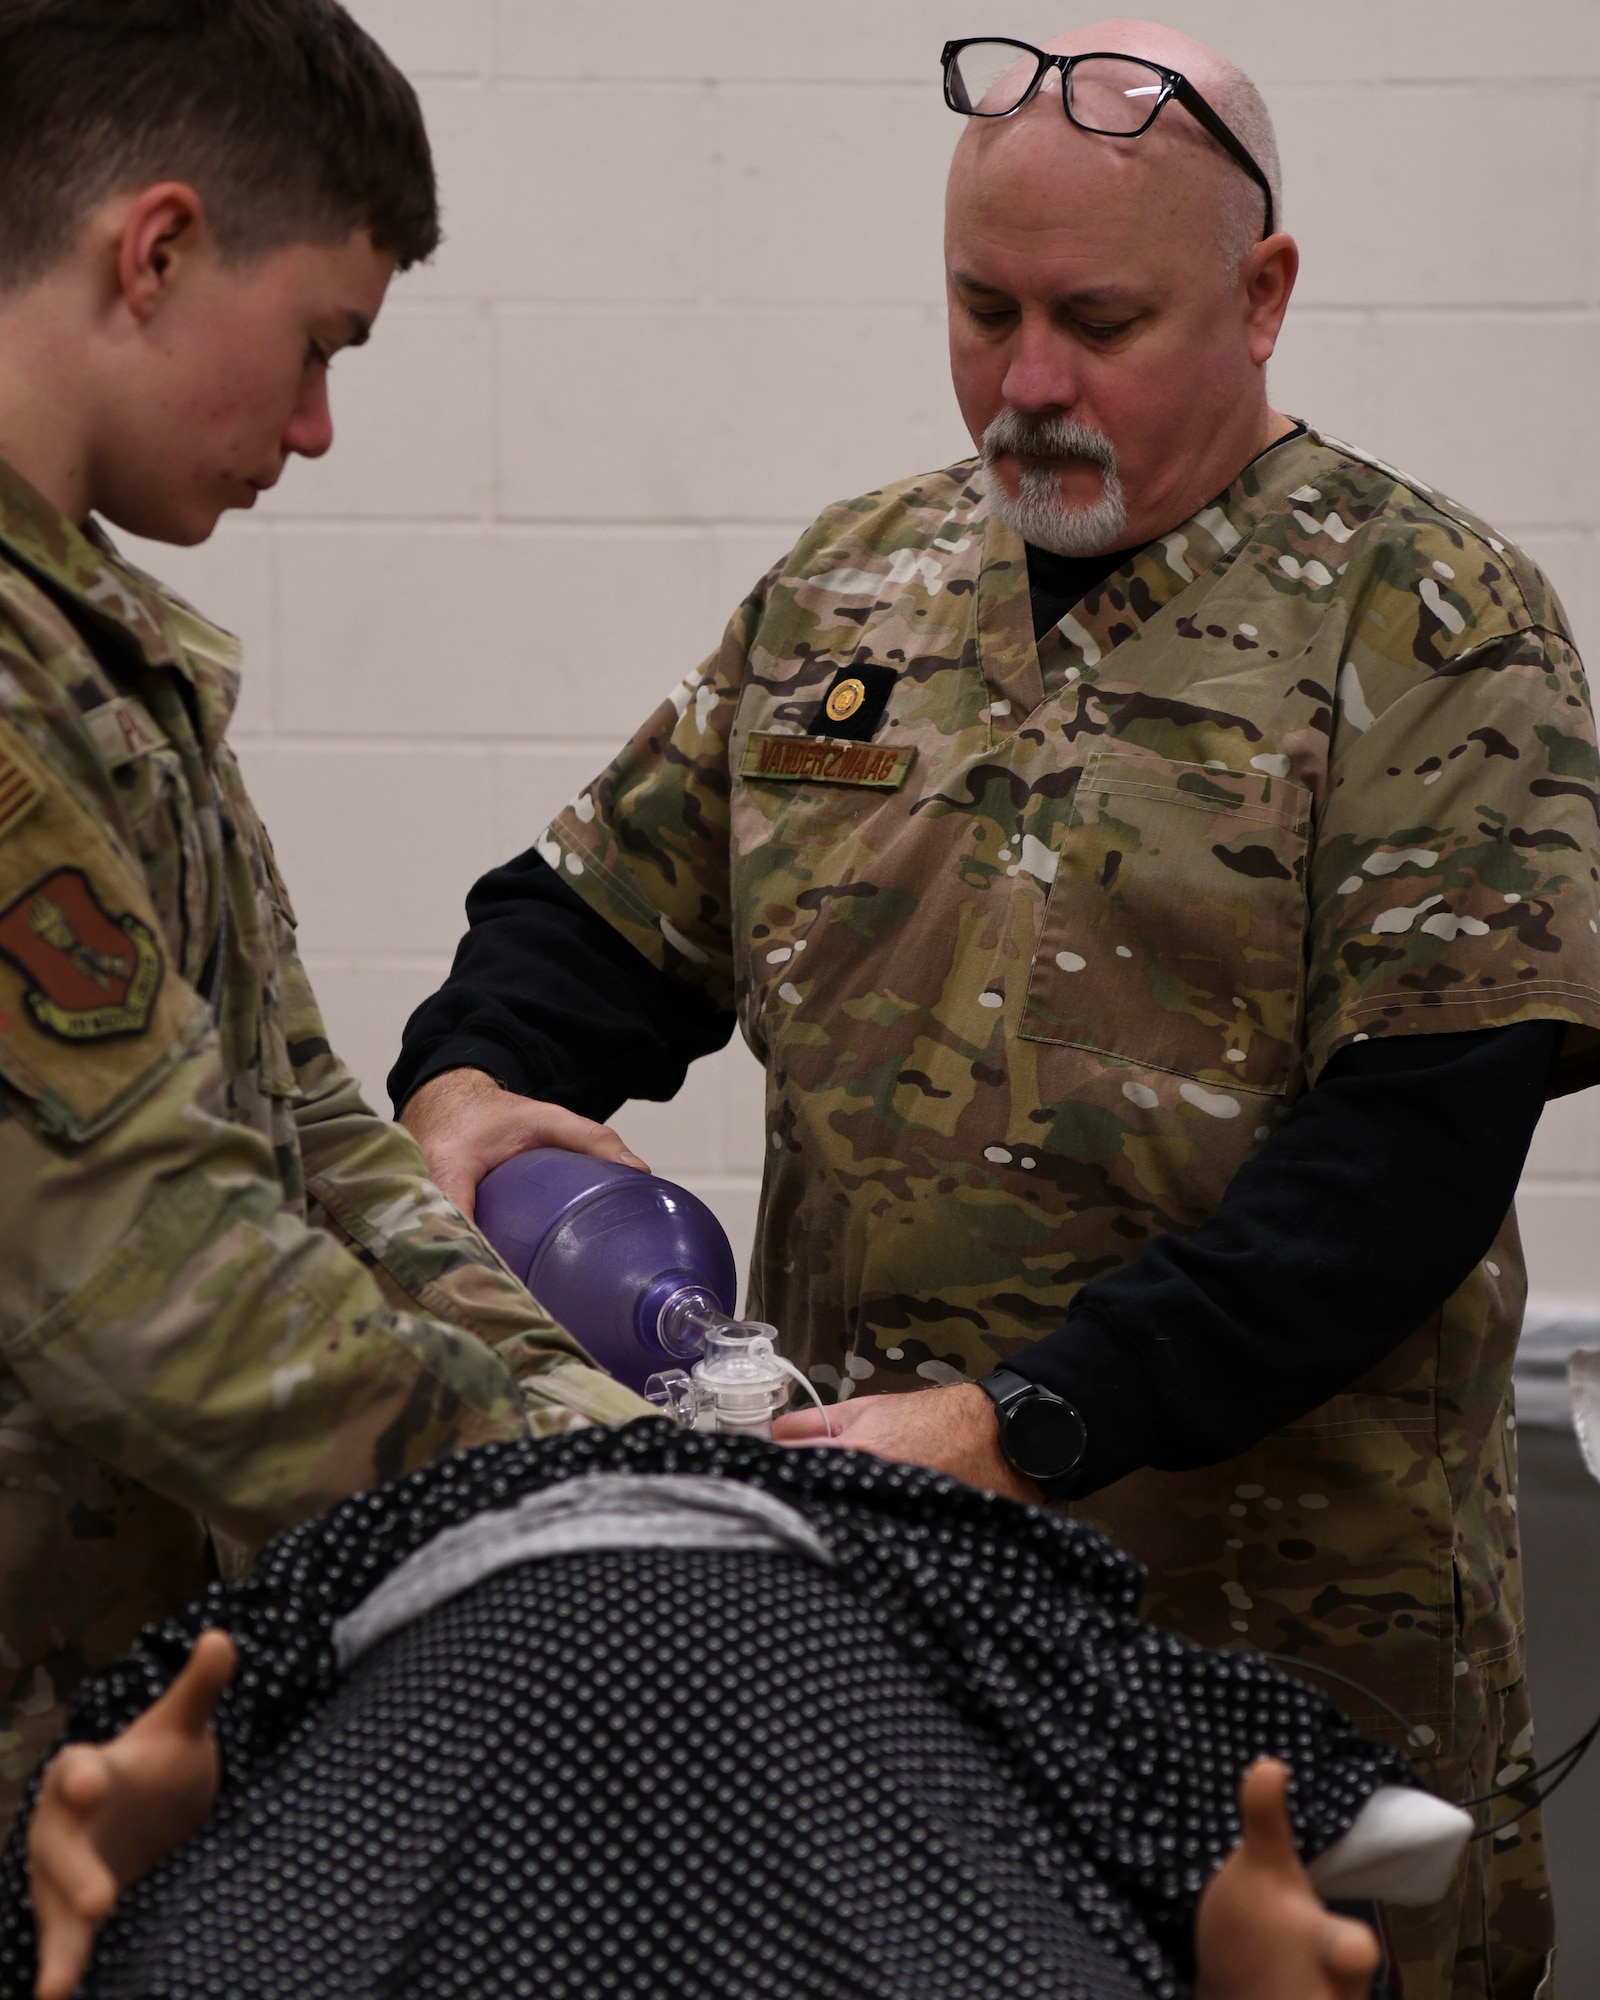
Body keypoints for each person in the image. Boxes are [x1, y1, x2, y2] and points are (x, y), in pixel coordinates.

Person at [388, 20, 1600, 1996]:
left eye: (1096, 319)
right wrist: (468, 1087)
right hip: (891, 1644)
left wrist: (1024, 1418)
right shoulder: (848, 599)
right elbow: (587, 929)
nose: (1025, 382)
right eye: (980, 309)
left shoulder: (1423, 622)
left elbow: (1404, 1161)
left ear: (1260, 293)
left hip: (1274, 1650)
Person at [0, 0, 649, 1838]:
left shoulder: (107, 676)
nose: (319, 426)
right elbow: (160, 1270)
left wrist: (615, 1452)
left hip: (108, 1741)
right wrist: (586, 1520)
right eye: (314, 346)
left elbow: (321, 1161)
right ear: (157, 248)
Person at [0, 1423, 1474, 2000]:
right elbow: (1391, 1829)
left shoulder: (329, 1578)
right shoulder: (970, 1577)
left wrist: (133, 1838)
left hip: (415, 1672)